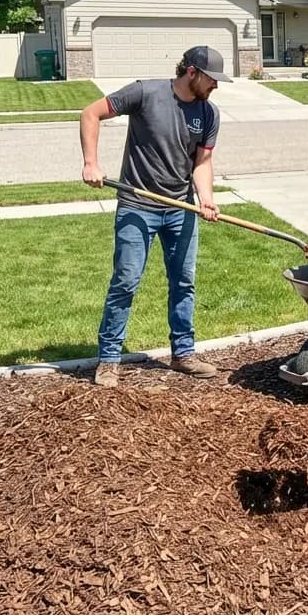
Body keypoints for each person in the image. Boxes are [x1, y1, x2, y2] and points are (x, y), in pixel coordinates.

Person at [79, 46, 231, 388]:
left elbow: (202, 164)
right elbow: (90, 114)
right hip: (137, 204)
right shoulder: (144, 92)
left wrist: (206, 199)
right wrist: (91, 161)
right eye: (212, 79)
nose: (216, 87)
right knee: (126, 280)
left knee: (184, 281)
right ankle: (109, 359)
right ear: (191, 72)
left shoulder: (209, 114)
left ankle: (183, 354)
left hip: (181, 209)